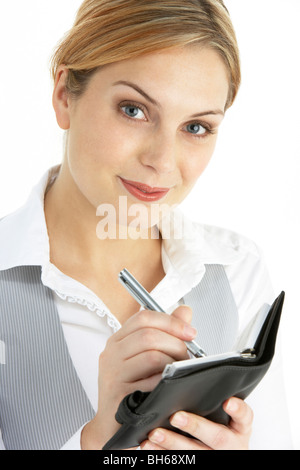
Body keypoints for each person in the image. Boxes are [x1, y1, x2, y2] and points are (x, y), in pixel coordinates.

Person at [0, 0, 293, 450]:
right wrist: (97, 442)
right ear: (64, 96)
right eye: (134, 110)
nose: (161, 162)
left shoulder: (238, 273)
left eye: (196, 127)